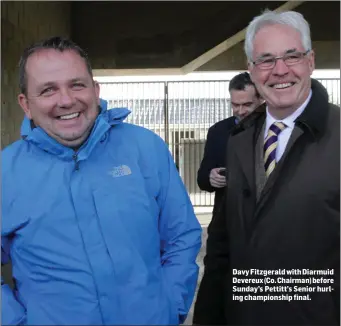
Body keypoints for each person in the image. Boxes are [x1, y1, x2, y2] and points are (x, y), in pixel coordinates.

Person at [1, 36, 202, 325]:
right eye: (48, 90)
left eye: (77, 84)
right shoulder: (6, 172)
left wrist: (171, 307)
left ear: (95, 90)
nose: (67, 100)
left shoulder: (144, 148)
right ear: (25, 104)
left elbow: (181, 236)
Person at [193, 10, 339, 325]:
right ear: (252, 70)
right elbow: (221, 246)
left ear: (311, 61)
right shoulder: (238, 140)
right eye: (266, 60)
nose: (280, 70)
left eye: (292, 56)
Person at [197, 72, 262, 219]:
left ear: (261, 99)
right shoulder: (217, 131)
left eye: (247, 104)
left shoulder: (273, 129)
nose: (240, 111)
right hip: (227, 220)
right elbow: (202, 179)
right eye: (235, 105)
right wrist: (210, 177)